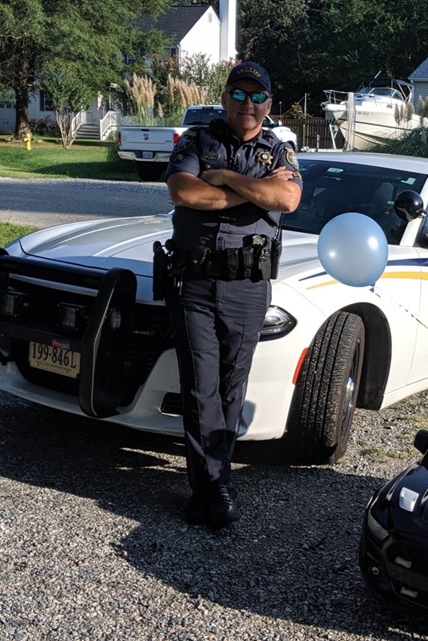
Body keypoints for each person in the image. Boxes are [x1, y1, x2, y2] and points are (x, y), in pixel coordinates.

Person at [160, 61, 303, 529]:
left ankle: (209, 486)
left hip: (247, 286)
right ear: (224, 97)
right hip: (195, 284)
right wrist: (255, 192)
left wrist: (223, 179)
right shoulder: (196, 142)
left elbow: (286, 200)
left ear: (269, 103)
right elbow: (185, 192)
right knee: (201, 387)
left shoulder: (278, 149)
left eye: (256, 96)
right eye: (238, 94)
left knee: (229, 387)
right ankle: (216, 486)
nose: (247, 104)